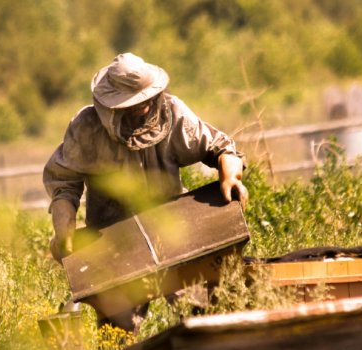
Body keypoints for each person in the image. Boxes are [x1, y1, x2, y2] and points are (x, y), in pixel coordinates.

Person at [43, 52, 248, 326]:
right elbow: (64, 182)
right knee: (118, 336)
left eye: (146, 102)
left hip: (174, 234)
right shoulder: (87, 128)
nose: (143, 109)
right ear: (112, 107)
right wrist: (63, 228)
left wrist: (231, 177)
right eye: (134, 105)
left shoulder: (173, 113)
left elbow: (220, 148)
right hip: (114, 243)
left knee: (203, 315)